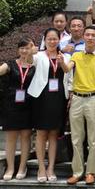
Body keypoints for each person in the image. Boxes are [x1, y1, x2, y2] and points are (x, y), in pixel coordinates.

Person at [61, 26, 95, 185]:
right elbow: (67, 69)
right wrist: (61, 62)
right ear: (83, 36)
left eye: (93, 35)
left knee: (93, 140)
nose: (90, 37)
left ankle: (91, 172)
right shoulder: (76, 55)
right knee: (76, 138)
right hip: (76, 98)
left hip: (94, 98)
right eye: (87, 34)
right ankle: (77, 172)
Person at [27, 28, 70, 183]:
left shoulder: (65, 56)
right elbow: (29, 61)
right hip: (41, 97)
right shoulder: (38, 55)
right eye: (49, 39)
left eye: (55, 39)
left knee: (53, 134)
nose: (52, 41)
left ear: (59, 40)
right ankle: (41, 167)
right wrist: (30, 52)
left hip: (59, 98)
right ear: (44, 40)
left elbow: (69, 75)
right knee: (41, 134)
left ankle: (51, 167)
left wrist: (62, 62)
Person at [0, 38, 36, 181]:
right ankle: (10, 168)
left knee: (26, 137)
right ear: (18, 50)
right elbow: (1, 70)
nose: (24, 51)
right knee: (11, 138)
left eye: (27, 48)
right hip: (11, 105)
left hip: (28, 106)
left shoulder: (34, 66)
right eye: (22, 48)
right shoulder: (10, 64)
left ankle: (22, 167)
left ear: (31, 49)